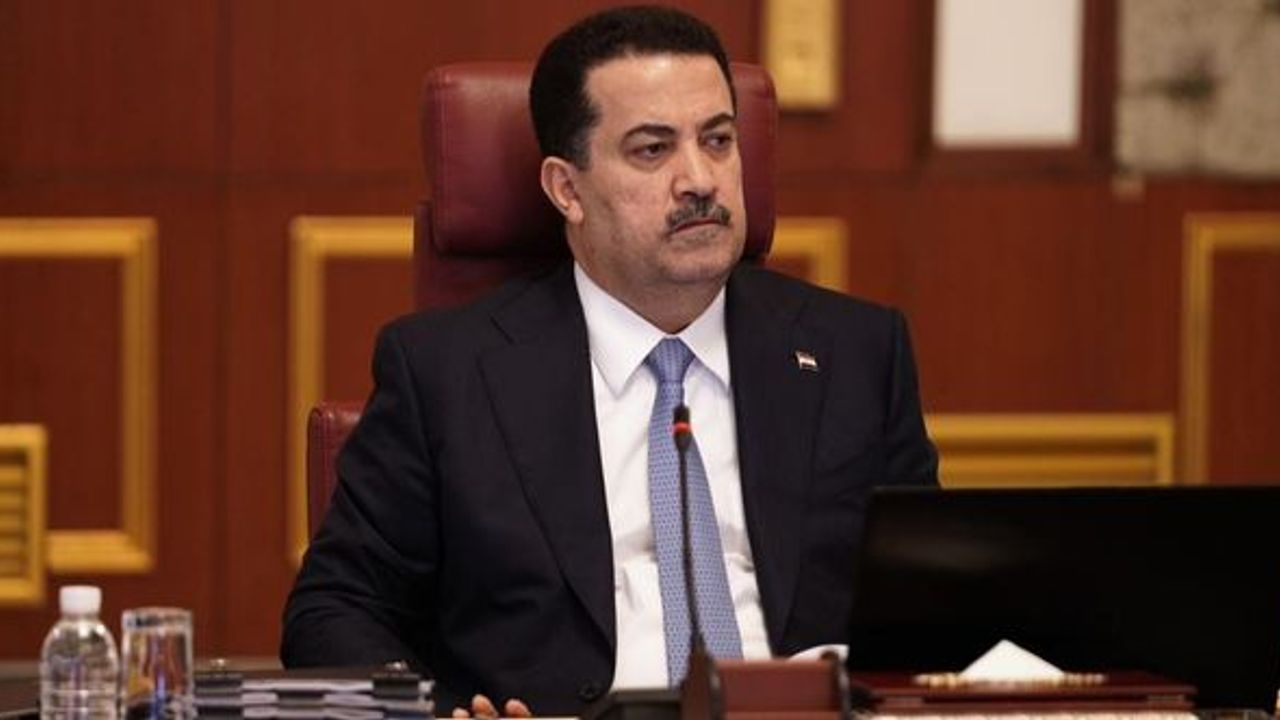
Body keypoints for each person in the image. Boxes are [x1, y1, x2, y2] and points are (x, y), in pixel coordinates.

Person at [282, 6, 937, 717]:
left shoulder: (854, 353)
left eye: (718, 140)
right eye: (653, 150)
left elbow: (931, 602)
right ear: (567, 189)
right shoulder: (446, 373)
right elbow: (334, 610)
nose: (700, 179)